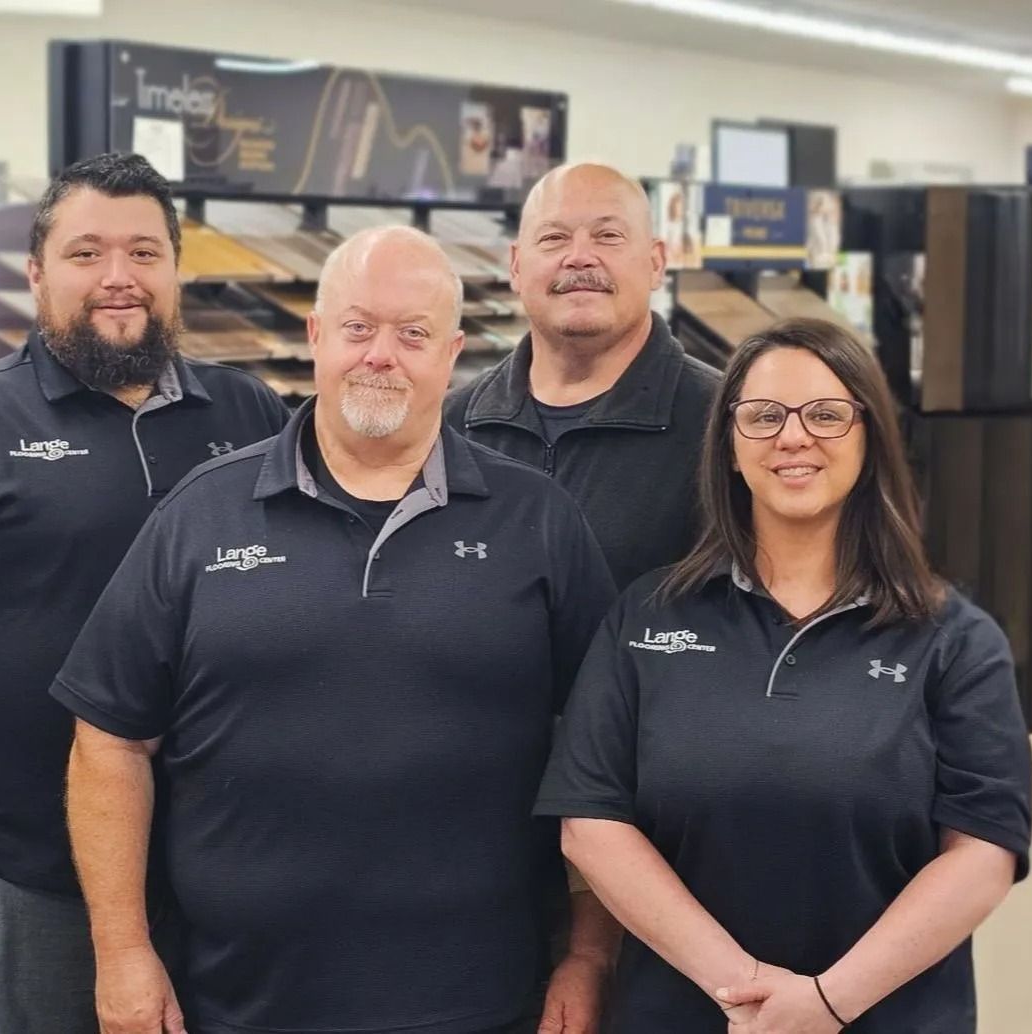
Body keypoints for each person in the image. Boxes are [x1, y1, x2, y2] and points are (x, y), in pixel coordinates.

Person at [55, 225, 620, 1034]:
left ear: (453, 351)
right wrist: (121, 952)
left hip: (479, 1000)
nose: (380, 355)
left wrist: (590, 954)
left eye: (413, 334)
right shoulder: (200, 516)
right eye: (357, 327)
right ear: (316, 335)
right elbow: (108, 738)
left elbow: (601, 756)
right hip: (237, 1001)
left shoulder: (538, 521)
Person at [0, 152, 290, 1033]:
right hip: (18, 883)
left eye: (144, 253)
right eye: (86, 254)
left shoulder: (250, 418)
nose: (118, 279)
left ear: (175, 269)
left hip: (220, 876)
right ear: (37, 274)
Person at [535, 318, 1032, 1034]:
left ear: (868, 439)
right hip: (683, 1014)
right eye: (763, 416)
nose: (792, 438)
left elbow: (981, 852)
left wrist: (826, 1004)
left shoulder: (952, 640)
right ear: (730, 448)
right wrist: (742, 991)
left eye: (826, 415)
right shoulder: (645, 617)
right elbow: (591, 822)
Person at [445, 162, 719, 589]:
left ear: (655, 262)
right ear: (516, 266)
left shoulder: (723, 424)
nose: (579, 257)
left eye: (608, 235)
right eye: (553, 238)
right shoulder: (450, 427)